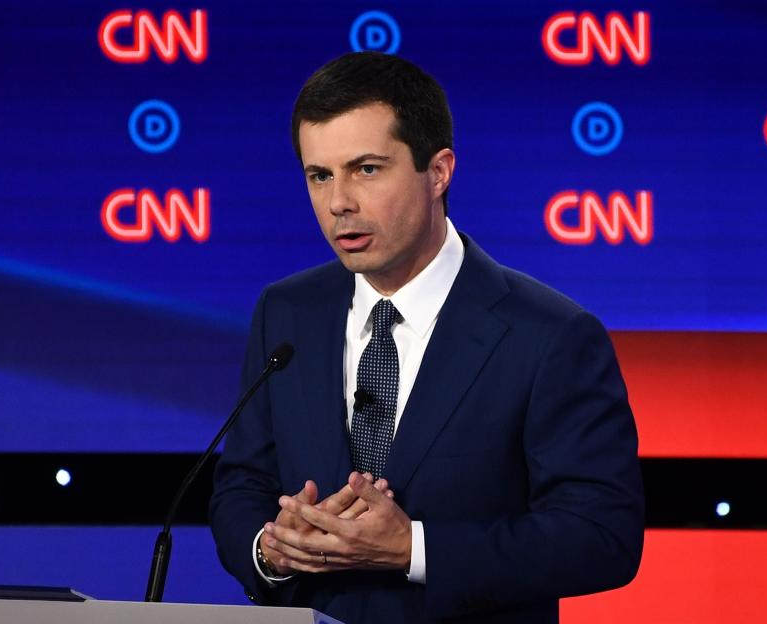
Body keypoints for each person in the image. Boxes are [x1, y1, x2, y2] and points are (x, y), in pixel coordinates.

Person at [209, 51, 644, 624]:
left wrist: (412, 548)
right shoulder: (286, 312)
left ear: (438, 172)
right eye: (320, 175)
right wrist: (272, 550)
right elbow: (241, 483)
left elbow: (601, 535)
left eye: (366, 169)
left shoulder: (551, 336)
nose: (339, 201)